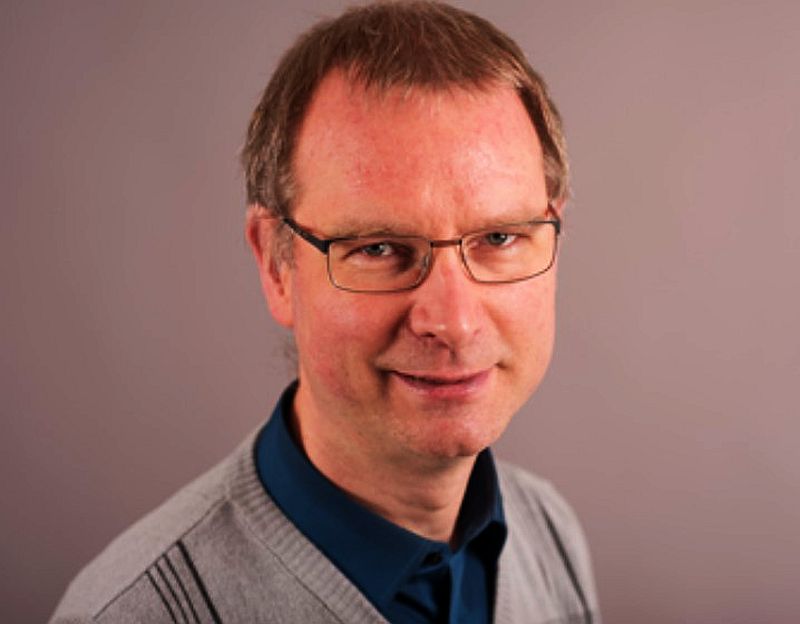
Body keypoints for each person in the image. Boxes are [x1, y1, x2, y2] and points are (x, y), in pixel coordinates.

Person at [50, 2, 600, 622]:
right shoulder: (131, 612)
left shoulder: (548, 531)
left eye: (499, 238)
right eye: (380, 249)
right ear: (276, 265)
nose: (455, 322)